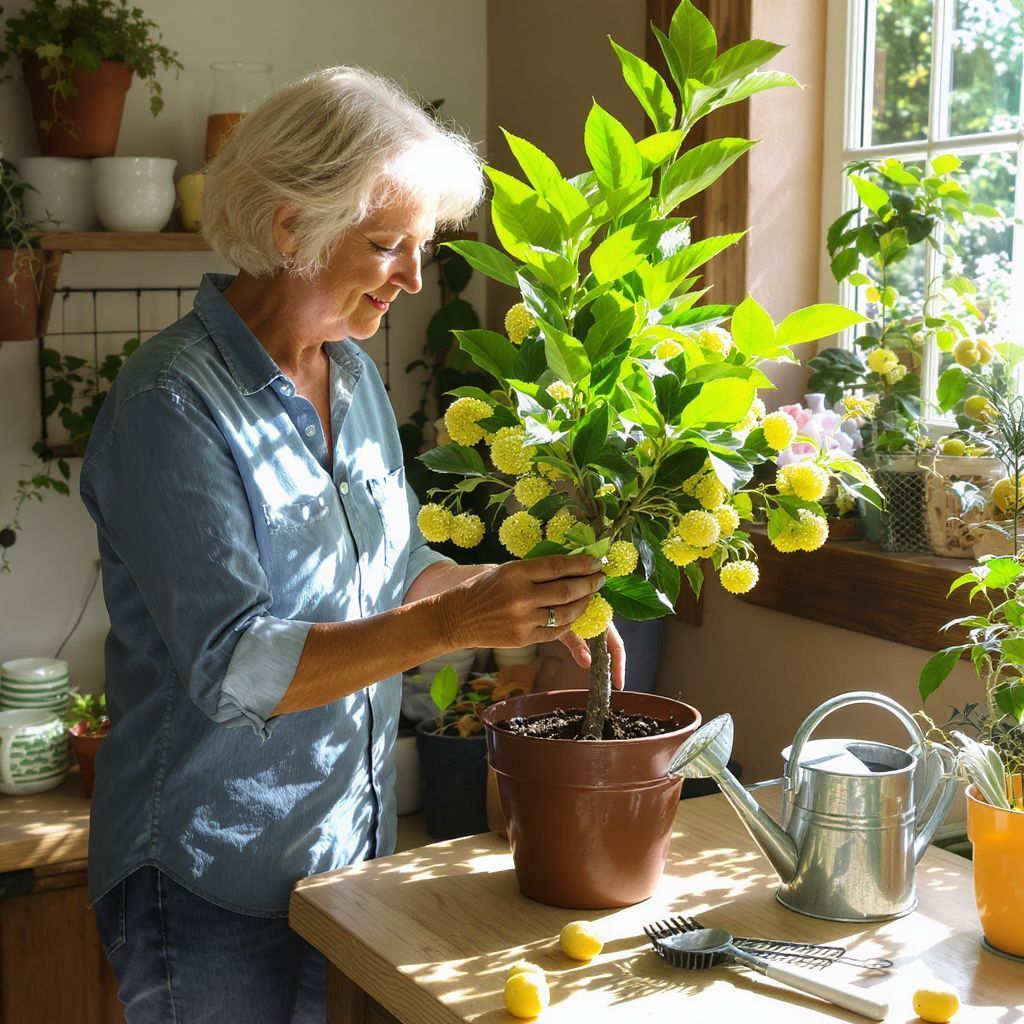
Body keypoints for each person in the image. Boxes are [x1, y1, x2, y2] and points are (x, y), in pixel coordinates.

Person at [80, 66, 624, 1023]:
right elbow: (238, 668)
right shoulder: (172, 405)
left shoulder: (356, 379)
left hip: (343, 858)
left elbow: (397, 573)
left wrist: (513, 597)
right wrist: (459, 619)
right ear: (293, 229)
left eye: (422, 247)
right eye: (388, 246)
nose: (415, 279)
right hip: (209, 874)